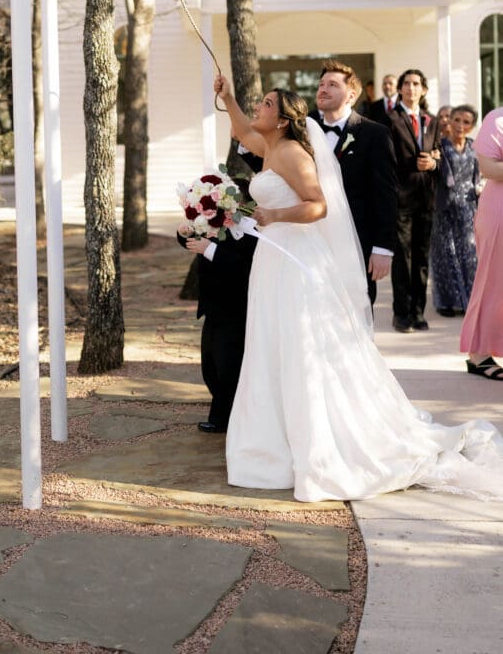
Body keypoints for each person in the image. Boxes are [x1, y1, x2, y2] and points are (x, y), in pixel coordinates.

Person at [214, 73, 503, 502]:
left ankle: (315, 442)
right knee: (272, 343)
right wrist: (228, 98)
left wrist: (274, 217)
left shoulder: (291, 152)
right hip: (273, 261)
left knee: (298, 346)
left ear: (283, 119)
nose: (259, 107)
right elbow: (241, 130)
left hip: (296, 262)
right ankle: (275, 441)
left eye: (267, 104)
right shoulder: (270, 146)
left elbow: (317, 205)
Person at [312, 60, 397, 306]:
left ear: (351, 95)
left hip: (357, 240)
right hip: (312, 239)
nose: (323, 89)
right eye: (321, 84)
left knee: (357, 308)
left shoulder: (375, 133)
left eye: (332, 85)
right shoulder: (304, 129)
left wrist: (383, 247)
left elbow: (386, 194)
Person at [178, 203, 257, 432]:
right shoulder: (212, 222)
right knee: (210, 366)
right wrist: (184, 234)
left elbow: (245, 266)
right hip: (213, 307)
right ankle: (225, 414)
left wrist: (210, 250)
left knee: (228, 367)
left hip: (236, 308)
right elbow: (193, 241)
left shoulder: (251, 231)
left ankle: (224, 419)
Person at [387, 69, 440, 333]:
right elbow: (386, 159)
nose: (411, 88)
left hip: (426, 198)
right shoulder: (390, 119)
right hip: (401, 198)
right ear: (400, 89)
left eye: (416, 83)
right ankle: (402, 314)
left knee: (421, 258)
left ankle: (418, 312)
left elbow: (439, 154)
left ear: (424, 90)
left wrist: (433, 163)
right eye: (406, 83)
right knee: (402, 259)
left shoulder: (432, 120)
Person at [460, 107, 503, 380]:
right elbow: (488, 168)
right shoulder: (497, 119)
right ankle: (479, 354)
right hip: (500, 211)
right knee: (493, 282)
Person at [430, 105, 480, 318]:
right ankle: (446, 303)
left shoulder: (475, 146)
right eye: (457, 120)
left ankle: (470, 300)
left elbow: (478, 176)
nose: (460, 125)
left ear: (471, 126)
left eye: (466, 122)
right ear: (449, 121)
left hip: (468, 207)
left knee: (469, 255)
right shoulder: (439, 146)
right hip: (445, 207)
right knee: (445, 254)